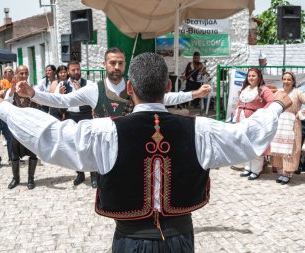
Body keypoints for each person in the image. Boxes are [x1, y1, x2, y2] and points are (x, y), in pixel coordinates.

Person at [0, 52, 292, 253]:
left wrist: (2, 107)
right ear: (167, 87)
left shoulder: (106, 131)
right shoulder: (200, 129)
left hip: (128, 241)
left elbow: (51, 136)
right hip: (180, 240)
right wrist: (277, 103)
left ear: (130, 89)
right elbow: (248, 137)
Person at [16, 47, 211, 188]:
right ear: (104, 64)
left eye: (120, 63)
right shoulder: (93, 90)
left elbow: (166, 97)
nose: (116, 67)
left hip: (133, 148)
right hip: (105, 150)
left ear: (125, 64)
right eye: (112, 63)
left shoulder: (135, 87)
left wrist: (194, 94)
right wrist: (33, 94)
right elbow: (61, 100)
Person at [270, 72, 305, 185]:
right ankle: (281, 172)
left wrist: (300, 113)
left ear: (293, 81)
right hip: (280, 122)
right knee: (280, 147)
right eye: (284, 79)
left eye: (289, 79)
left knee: (291, 148)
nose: (286, 81)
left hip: (292, 122)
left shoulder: (298, 92)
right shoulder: (279, 93)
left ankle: (288, 173)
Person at [232, 67, 274, 180]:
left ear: (259, 77)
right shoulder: (245, 88)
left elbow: (272, 101)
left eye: (253, 76)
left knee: (255, 145)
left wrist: (262, 112)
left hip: (255, 121)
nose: (251, 78)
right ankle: (247, 167)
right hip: (241, 119)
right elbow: (239, 103)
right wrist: (235, 114)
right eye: (249, 76)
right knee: (244, 144)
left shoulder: (263, 89)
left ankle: (256, 170)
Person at [5, 65, 39, 190]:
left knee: (33, 154)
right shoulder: (11, 90)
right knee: (14, 154)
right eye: (21, 73)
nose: (24, 76)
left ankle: (31, 178)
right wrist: (13, 90)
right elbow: (6, 102)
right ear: (16, 75)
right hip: (16, 127)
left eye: (26, 73)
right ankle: (16, 178)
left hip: (31, 127)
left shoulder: (33, 89)